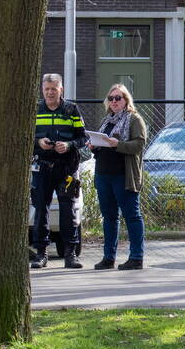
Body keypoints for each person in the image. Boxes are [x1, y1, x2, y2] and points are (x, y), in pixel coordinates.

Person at [31, 74, 89, 269]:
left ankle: (70, 254)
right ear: (42, 89)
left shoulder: (71, 109)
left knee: (68, 210)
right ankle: (41, 254)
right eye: (46, 88)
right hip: (42, 167)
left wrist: (69, 144)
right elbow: (23, 137)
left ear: (61, 89)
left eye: (53, 89)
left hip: (67, 168)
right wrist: (38, 143)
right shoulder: (36, 109)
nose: (49, 92)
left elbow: (83, 138)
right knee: (40, 210)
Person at [89, 83, 148, 270]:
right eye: (111, 98)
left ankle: (136, 257)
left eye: (118, 98)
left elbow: (139, 145)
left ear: (126, 100)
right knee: (109, 217)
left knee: (132, 215)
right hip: (103, 174)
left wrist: (118, 144)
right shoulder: (107, 120)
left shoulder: (134, 120)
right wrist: (95, 146)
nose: (114, 101)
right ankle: (108, 257)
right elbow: (103, 144)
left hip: (123, 175)